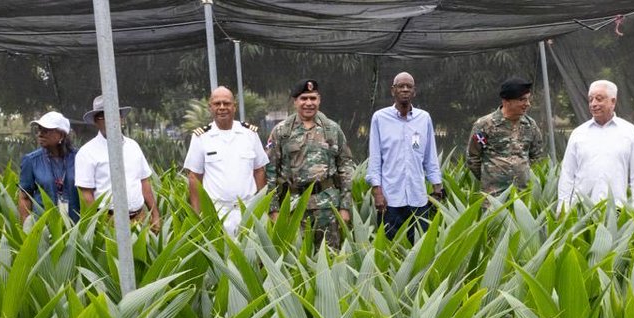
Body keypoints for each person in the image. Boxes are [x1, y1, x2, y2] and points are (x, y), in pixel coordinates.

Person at [266, 79, 354, 248]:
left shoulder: (332, 129)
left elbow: (345, 167)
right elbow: (271, 172)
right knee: (296, 259)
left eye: (313, 99)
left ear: (319, 100)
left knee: (329, 258)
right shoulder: (282, 131)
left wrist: (344, 206)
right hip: (293, 207)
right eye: (304, 98)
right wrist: (274, 210)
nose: (308, 103)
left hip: (328, 207)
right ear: (295, 102)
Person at [367, 71, 443, 240]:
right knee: (390, 249)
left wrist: (437, 188)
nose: (405, 89)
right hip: (390, 199)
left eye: (409, 86)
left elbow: (430, 156)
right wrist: (377, 192)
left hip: (418, 198)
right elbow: (375, 158)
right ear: (393, 90)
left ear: (414, 91)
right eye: (401, 86)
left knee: (419, 247)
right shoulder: (380, 118)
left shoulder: (424, 118)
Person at [183, 86, 268, 235]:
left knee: (249, 256)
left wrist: (263, 209)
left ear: (234, 107)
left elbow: (259, 171)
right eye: (217, 104)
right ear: (210, 107)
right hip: (217, 212)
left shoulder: (249, 134)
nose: (222, 107)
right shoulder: (201, 137)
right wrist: (197, 216)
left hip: (248, 209)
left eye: (226, 103)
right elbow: (194, 177)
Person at [557, 79, 634, 212]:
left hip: (617, 209)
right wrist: (563, 208)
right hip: (582, 210)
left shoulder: (630, 132)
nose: (594, 104)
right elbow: (567, 174)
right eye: (590, 99)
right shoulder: (578, 134)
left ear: (613, 101)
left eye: (599, 99)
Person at [75, 94, 161, 229]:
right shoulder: (86, 152)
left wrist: (155, 215)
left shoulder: (133, 146)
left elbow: (144, 182)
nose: (110, 119)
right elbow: (86, 194)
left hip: (140, 217)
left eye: (114, 113)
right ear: (96, 121)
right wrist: (100, 225)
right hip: (109, 220)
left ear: (121, 118)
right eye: (102, 116)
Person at [466, 77, 544, 195]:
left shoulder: (530, 125)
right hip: (493, 196)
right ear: (506, 101)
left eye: (528, 100)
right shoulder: (485, 125)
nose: (527, 104)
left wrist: (523, 173)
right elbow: (473, 157)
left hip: (522, 195)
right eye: (522, 100)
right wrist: (490, 178)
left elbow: (536, 155)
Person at [18, 110, 79, 223]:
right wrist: (27, 229)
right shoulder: (31, 160)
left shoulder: (79, 158)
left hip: (76, 226)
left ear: (61, 134)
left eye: (46, 131)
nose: (40, 134)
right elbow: (25, 197)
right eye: (39, 129)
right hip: (44, 228)